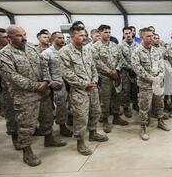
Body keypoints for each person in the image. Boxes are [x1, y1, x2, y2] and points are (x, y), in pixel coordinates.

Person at [0, 26, 66, 167]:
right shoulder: (4, 55)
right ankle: (27, 151)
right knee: (26, 125)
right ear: (9, 38)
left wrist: (46, 81)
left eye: (24, 34)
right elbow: (12, 77)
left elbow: (43, 66)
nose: (23, 38)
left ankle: (49, 138)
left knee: (47, 117)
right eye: (18, 36)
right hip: (25, 95)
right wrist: (35, 85)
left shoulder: (32, 48)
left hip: (43, 91)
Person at [59, 26, 108, 156]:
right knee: (81, 116)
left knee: (96, 111)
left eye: (85, 35)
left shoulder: (87, 50)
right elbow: (66, 73)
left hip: (93, 87)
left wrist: (95, 80)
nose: (84, 37)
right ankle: (80, 142)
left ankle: (93, 132)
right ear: (72, 36)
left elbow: (93, 66)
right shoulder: (65, 51)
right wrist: (84, 83)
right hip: (79, 90)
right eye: (81, 35)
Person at [131, 27, 170, 140]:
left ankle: (160, 121)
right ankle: (143, 127)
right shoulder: (136, 51)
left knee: (160, 104)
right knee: (144, 107)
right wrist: (151, 78)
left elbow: (162, 64)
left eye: (152, 35)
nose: (151, 38)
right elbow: (137, 69)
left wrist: (161, 76)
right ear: (142, 37)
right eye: (148, 36)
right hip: (145, 85)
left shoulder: (156, 50)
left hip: (158, 83)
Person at [91, 24, 128, 133]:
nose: (108, 34)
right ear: (100, 33)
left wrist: (116, 70)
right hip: (104, 77)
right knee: (105, 99)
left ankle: (116, 117)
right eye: (105, 32)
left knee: (117, 96)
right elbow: (96, 62)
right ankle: (105, 119)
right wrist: (109, 71)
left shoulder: (114, 45)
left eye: (109, 32)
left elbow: (121, 59)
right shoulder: (95, 47)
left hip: (116, 76)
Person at [40, 31, 73, 138]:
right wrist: (50, 82)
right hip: (57, 83)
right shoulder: (46, 53)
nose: (62, 40)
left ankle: (69, 120)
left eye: (63, 38)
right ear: (53, 39)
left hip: (69, 81)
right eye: (59, 38)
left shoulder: (67, 51)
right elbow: (44, 70)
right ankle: (62, 126)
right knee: (61, 106)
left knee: (69, 103)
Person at [119, 26, 138, 118]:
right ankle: (126, 107)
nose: (128, 35)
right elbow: (121, 59)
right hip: (125, 71)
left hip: (136, 71)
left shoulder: (137, 46)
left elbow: (139, 57)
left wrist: (135, 67)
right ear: (123, 34)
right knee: (126, 90)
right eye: (126, 33)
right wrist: (129, 67)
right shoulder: (120, 46)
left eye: (129, 33)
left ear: (132, 34)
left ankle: (135, 104)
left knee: (135, 89)